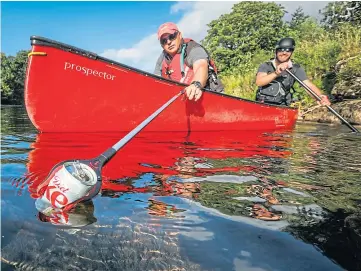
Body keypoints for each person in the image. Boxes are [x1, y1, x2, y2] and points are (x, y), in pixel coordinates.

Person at [154, 22, 224, 102]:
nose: (168, 42)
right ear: (162, 45)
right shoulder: (162, 59)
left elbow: (201, 65)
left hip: (210, 94)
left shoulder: (192, 48)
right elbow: (155, 82)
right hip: (183, 100)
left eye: (172, 36)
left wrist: (196, 84)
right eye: (164, 41)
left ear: (179, 35)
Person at [255, 37, 331, 106]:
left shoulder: (295, 68)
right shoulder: (266, 65)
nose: (284, 53)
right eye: (281, 49)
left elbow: (308, 85)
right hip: (262, 104)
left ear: (291, 52)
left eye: (288, 50)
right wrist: (276, 73)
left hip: (282, 106)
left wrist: (320, 97)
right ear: (276, 51)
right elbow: (259, 82)